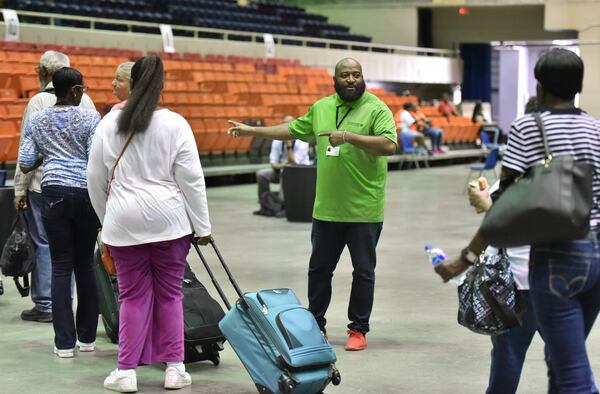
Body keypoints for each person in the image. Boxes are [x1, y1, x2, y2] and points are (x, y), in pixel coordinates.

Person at [437, 48, 600, 392]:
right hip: (594, 258)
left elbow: (505, 203)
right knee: (565, 361)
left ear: (539, 88)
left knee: (570, 373)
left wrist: (464, 259)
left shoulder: (529, 126)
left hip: (557, 259)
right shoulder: (595, 128)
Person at [229, 58, 397, 351]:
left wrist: (348, 137)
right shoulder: (321, 108)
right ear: (335, 79)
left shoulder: (377, 108)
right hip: (326, 210)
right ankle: (315, 325)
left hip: (364, 210)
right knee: (319, 271)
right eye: (344, 75)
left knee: (363, 272)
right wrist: (252, 131)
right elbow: (291, 130)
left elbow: (388, 145)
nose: (350, 80)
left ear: (362, 78)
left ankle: (358, 329)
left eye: (356, 75)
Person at [87, 55, 212, 393]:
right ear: (161, 85)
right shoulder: (176, 124)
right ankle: (175, 369)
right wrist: (203, 226)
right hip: (170, 223)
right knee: (171, 295)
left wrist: (106, 221)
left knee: (131, 297)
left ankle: (126, 372)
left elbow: (95, 180)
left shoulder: (108, 124)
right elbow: (191, 180)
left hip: (123, 223)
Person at [19, 67, 101, 358]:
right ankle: (88, 338)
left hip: (52, 192)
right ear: (77, 90)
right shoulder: (91, 118)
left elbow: (26, 162)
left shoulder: (38, 119)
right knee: (86, 266)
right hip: (85, 193)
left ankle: (64, 343)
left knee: (61, 266)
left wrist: (50, 153)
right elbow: (96, 159)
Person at [254, 115, 310, 217]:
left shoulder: (302, 141)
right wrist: (284, 165)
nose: (286, 126)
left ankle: (283, 206)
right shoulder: (276, 141)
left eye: (289, 124)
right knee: (261, 174)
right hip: (281, 170)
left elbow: (294, 163)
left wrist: (288, 146)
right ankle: (265, 205)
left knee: (286, 171)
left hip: (301, 173)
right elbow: (273, 164)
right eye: (284, 123)